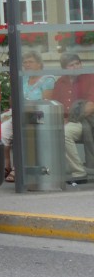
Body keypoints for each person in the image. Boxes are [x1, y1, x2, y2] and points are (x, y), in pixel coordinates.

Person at [1, 50, 57, 183]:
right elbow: (12, 101)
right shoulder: (23, 78)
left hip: (38, 115)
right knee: (2, 130)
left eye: (30, 62)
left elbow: (46, 102)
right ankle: (6, 164)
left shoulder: (47, 79)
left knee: (23, 131)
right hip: (20, 114)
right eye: (25, 62)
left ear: (39, 64)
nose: (27, 65)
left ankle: (18, 168)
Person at [51, 52, 94, 185]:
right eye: (71, 65)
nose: (76, 67)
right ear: (64, 68)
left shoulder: (90, 78)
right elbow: (55, 105)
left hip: (84, 120)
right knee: (46, 131)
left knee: (65, 133)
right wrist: (60, 119)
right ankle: (50, 171)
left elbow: (90, 107)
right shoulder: (60, 82)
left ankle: (79, 172)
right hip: (64, 120)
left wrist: (69, 119)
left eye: (77, 63)